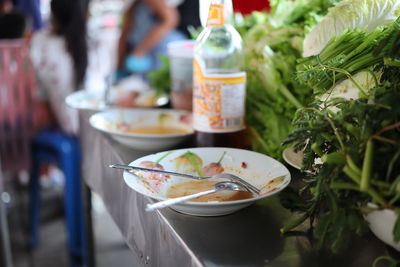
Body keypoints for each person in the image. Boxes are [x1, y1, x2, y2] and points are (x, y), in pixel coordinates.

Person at [30, 0, 88, 135]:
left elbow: (41, 93)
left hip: (63, 127)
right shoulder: (85, 43)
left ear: (53, 13)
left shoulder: (41, 43)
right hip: (86, 128)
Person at [116, 0, 188, 79]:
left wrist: (138, 53)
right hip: (145, 57)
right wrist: (119, 67)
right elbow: (125, 31)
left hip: (163, 51)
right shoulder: (131, 6)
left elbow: (170, 19)